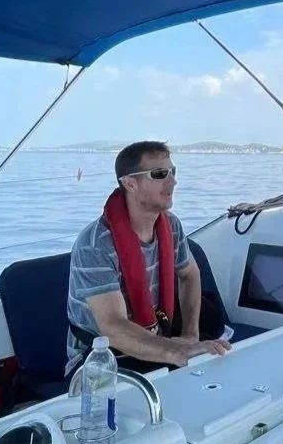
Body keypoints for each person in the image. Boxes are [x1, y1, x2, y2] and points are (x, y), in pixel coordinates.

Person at [65, 140, 230, 376]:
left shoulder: (171, 225)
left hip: (159, 339)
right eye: (160, 174)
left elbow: (190, 275)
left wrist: (190, 336)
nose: (173, 181)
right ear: (130, 183)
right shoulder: (94, 246)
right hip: (101, 358)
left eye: (173, 172)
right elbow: (113, 327)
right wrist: (176, 351)